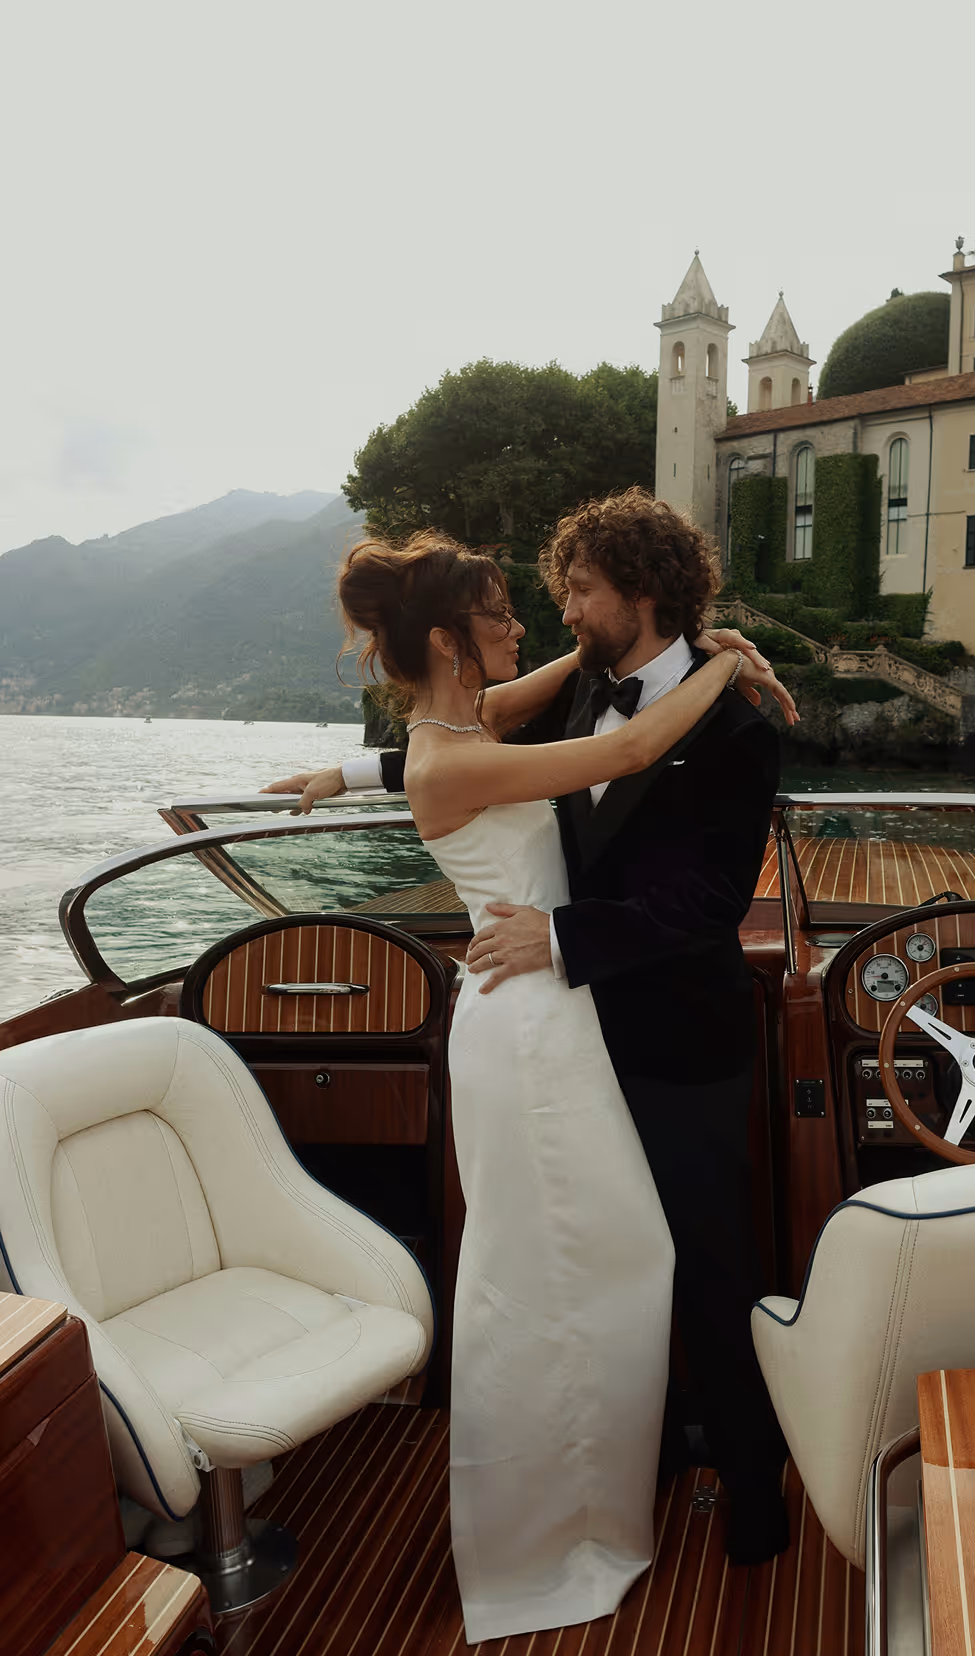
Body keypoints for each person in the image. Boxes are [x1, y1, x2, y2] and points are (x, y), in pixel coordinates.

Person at [267, 523, 793, 1644]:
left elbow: (704, 906)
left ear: (642, 591)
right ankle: (602, 1496)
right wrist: (725, 660)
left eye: (583, 591)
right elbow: (523, 753)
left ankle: (752, 1502)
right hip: (549, 1034)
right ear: (457, 635)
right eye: (529, 604)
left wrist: (343, 771)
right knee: (575, 1268)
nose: (559, 617)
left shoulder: (734, 731)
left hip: (669, 1040)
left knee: (698, 1265)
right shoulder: (582, 702)